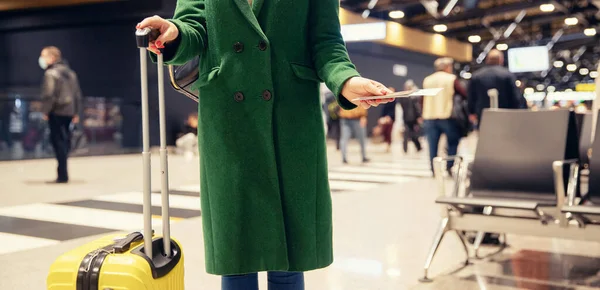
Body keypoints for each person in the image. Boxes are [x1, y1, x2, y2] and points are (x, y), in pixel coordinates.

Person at [137, 0, 393, 288]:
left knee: (289, 255)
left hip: (289, 120)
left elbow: (326, 42)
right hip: (229, 121)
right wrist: (174, 31)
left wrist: (346, 79)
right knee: (236, 257)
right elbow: (194, 28)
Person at [39, 46, 82, 183]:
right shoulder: (71, 73)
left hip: (56, 111)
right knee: (65, 142)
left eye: (43, 56)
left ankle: (62, 175)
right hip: (69, 112)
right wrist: (76, 112)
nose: (42, 59)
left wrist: (46, 111)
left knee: (58, 142)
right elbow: (77, 94)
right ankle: (63, 173)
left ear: (52, 58)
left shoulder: (50, 74)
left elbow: (49, 95)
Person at [422, 57, 466, 175]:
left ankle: (434, 170)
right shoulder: (451, 79)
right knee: (452, 143)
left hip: (429, 116)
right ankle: (449, 166)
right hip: (447, 116)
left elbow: (422, 98)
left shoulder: (427, 80)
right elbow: (463, 93)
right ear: (447, 67)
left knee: (432, 146)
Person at [468, 49, 525, 126]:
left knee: (485, 136)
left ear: (487, 59)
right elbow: (515, 97)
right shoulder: (508, 75)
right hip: (505, 115)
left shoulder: (476, 76)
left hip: (482, 115)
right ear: (500, 60)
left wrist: (471, 112)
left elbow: (471, 97)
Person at [398, 80, 423, 154]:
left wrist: (419, 117)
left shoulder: (415, 97)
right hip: (406, 119)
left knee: (413, 135)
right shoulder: (403, 97)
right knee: (406, 134)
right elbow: (401, 108)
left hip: (414, 119)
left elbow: (417, 108)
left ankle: (418, 147)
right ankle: (405, 150)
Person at [378, 87, 396, 152]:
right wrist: (381, 117)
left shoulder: (394, 101)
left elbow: (394, 110)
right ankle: (386, 144)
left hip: (390, 119)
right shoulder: (385, 100)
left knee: (389, 132)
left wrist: (390, 117)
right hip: (384, 118)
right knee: (384, 132)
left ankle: (388, 145)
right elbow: (383, 110)